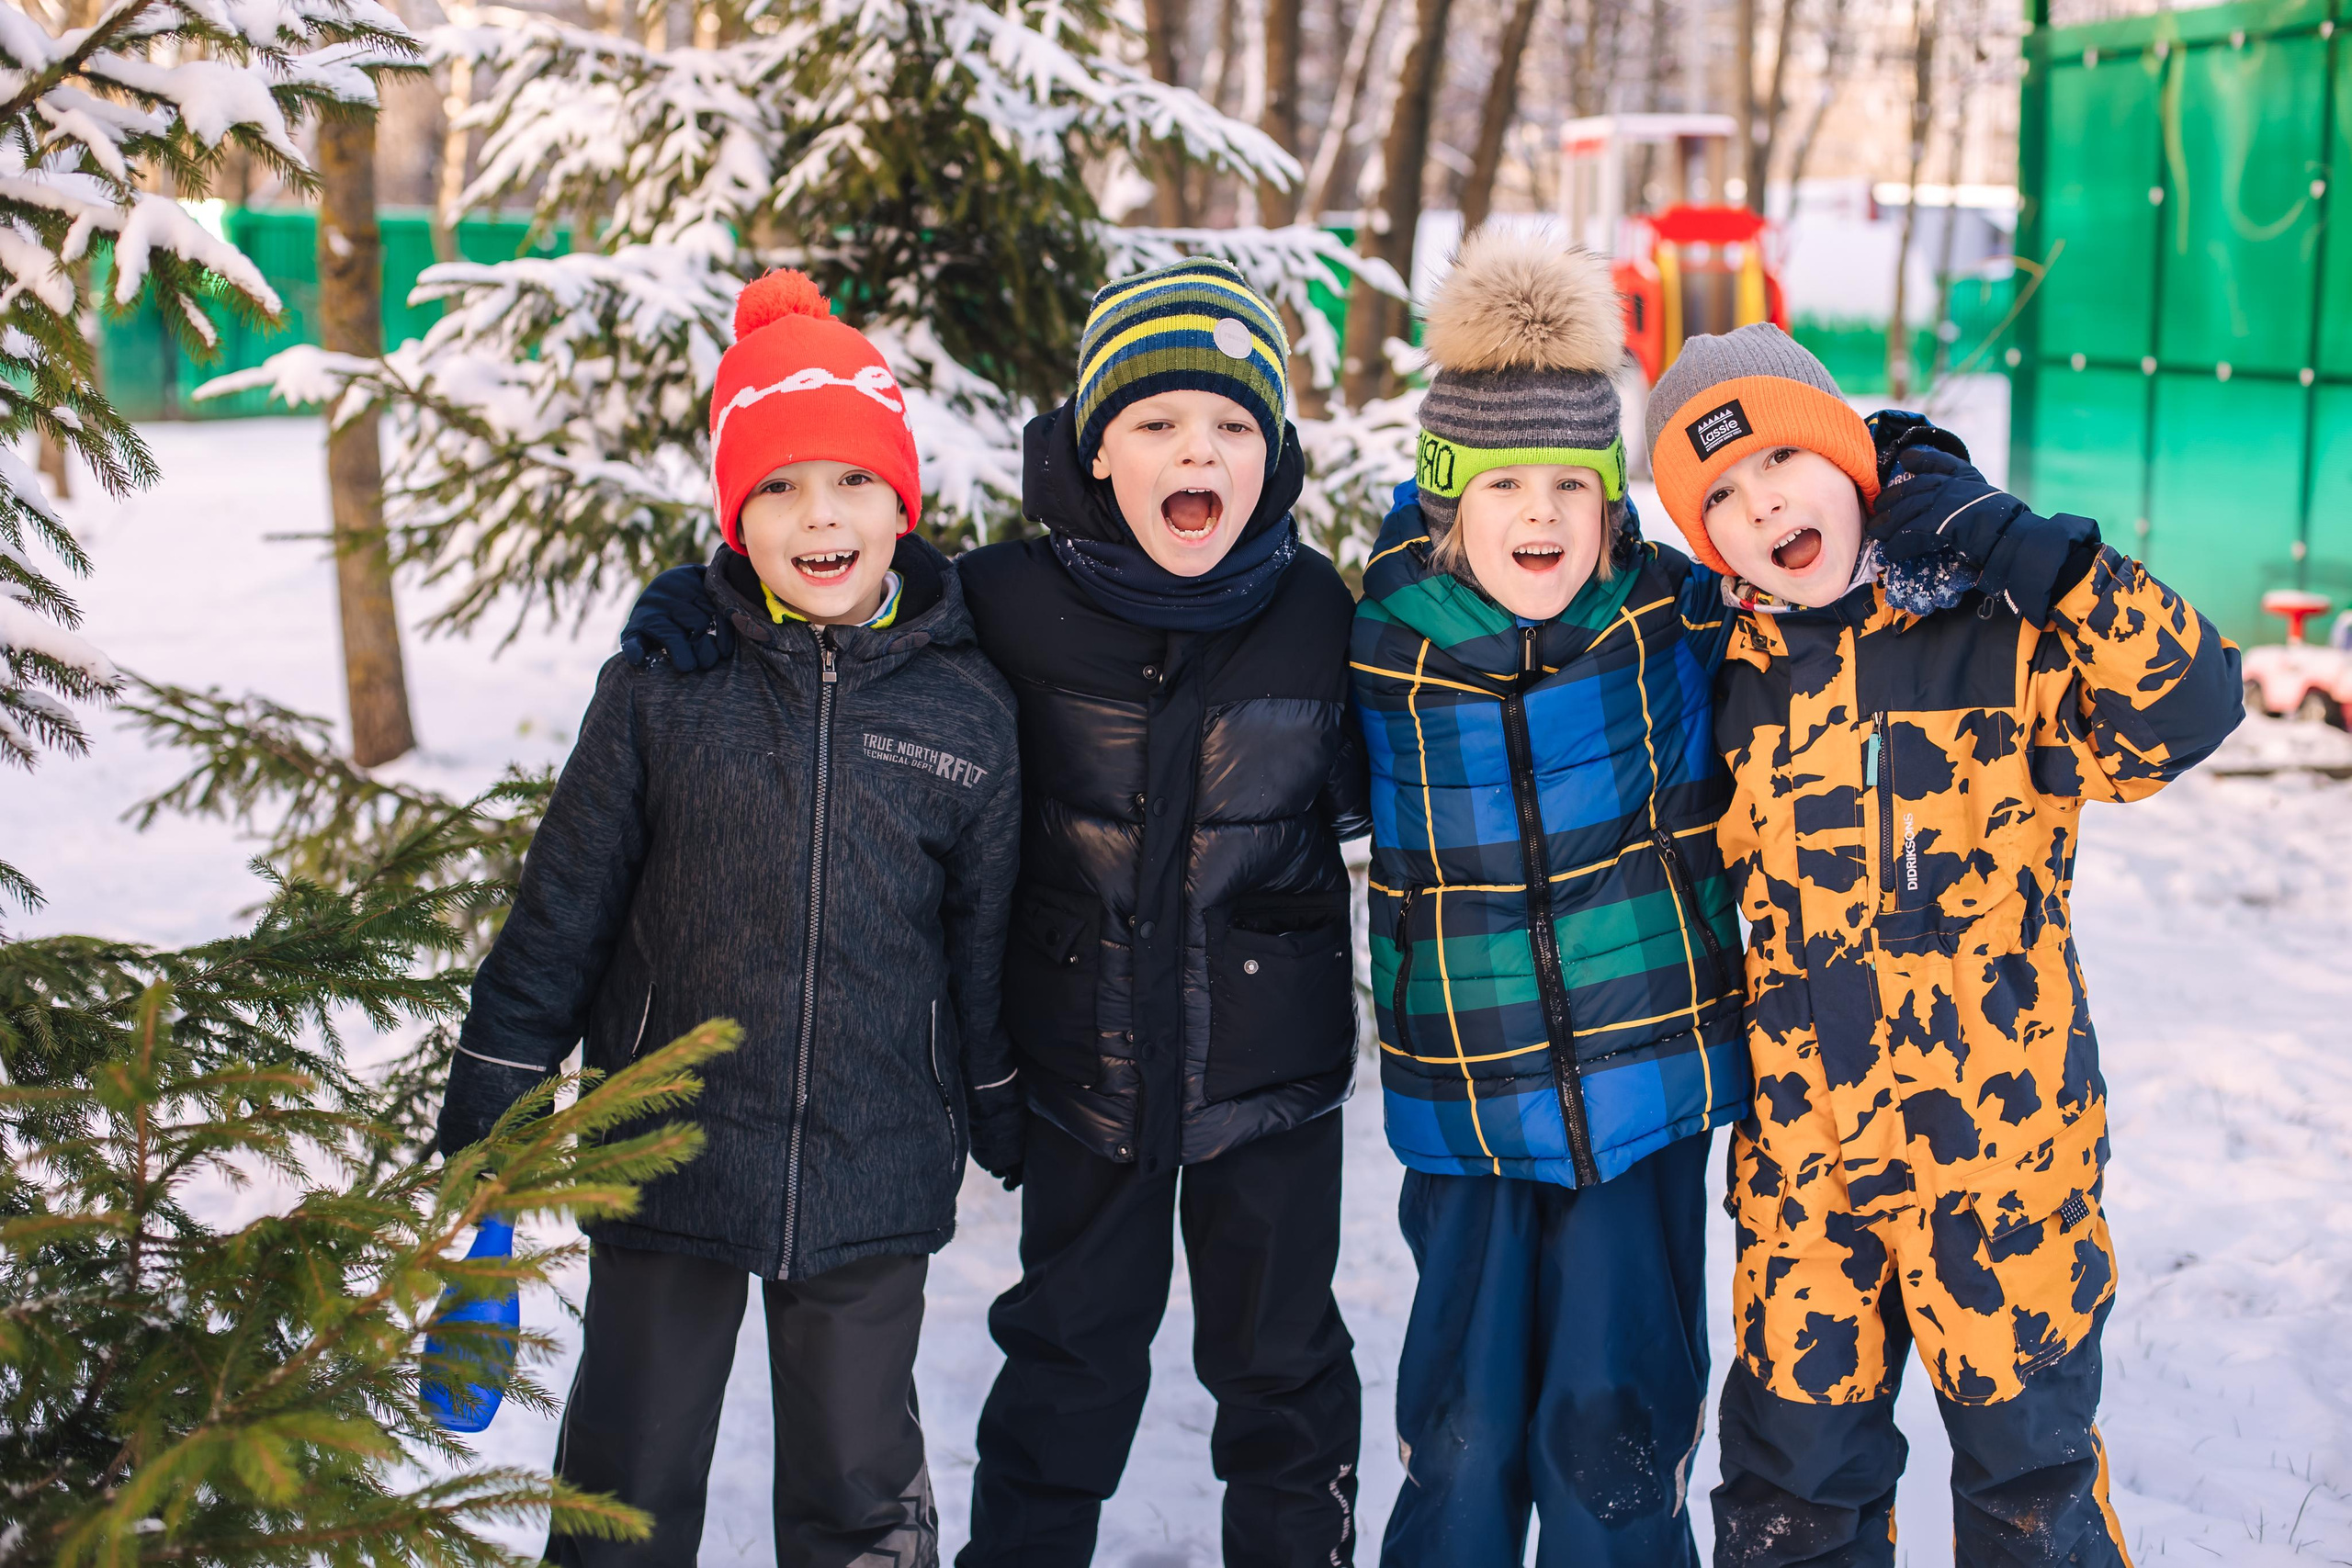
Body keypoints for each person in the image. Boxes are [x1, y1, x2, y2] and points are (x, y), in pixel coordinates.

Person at [617, 256, 1370, 1568]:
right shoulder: (1009, 599)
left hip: (1271, 1072)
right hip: (1086, 1066)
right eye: (1155, 422)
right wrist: (708, 603)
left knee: (1286, 1375)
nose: (1198, 449)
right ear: (1092, 447)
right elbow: (854, 627)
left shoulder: (1318, 609)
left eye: (1235, 424)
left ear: (1276, 452)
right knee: (1067, 1369)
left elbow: (1414, 739)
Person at [436, 269, 1024, 1568]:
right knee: (625, 1488)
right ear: (736, 520)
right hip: (662, 1157)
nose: (821, 515)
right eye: (780, 487)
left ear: (903, 505)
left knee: (860, 1491)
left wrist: (996, 1095)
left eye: (855, 482)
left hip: (872, 1158)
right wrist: (492, 1098)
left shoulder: (967, 707)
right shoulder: (662, 689)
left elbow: (983, 937)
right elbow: (562, 908)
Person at [1640, 323, 2244, 1567]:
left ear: (1850, 463)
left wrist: (2044, 562)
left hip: (2006, 1165)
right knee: (1790, 1497)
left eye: (1781, 467)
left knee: (2033, 1485)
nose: (1763, 507)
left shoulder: (1997, 628)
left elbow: (2187, 706)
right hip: (1808, 1176)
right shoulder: (1718, 666)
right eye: (1724, 500)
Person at [1351, 231, 1747, 1568]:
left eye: (1568, 486)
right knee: (1460, 1438)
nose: (1537, 516)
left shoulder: (1674, 623)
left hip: (1646, 1099)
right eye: (1502, 483)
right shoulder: (1377, 642)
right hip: (1467, 1100)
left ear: (1610, 499)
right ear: (1443, 497)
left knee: (1619, 1430)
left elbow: (1818, 584)